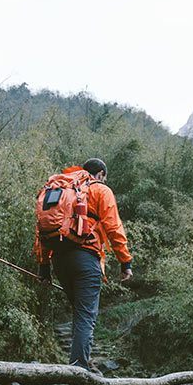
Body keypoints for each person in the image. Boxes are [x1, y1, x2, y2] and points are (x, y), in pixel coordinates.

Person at [34, 158, 133, 373]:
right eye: (104, 177)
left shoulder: (58, 189)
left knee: (80, 313)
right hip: (86, 258)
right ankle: (79, 371)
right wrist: (125, 262)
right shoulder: (99, 190)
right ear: (100, 174)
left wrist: (44, 268)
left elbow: (41, 231)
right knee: (85, 316)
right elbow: (114, 228)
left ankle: (84, 361)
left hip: (59, 260)